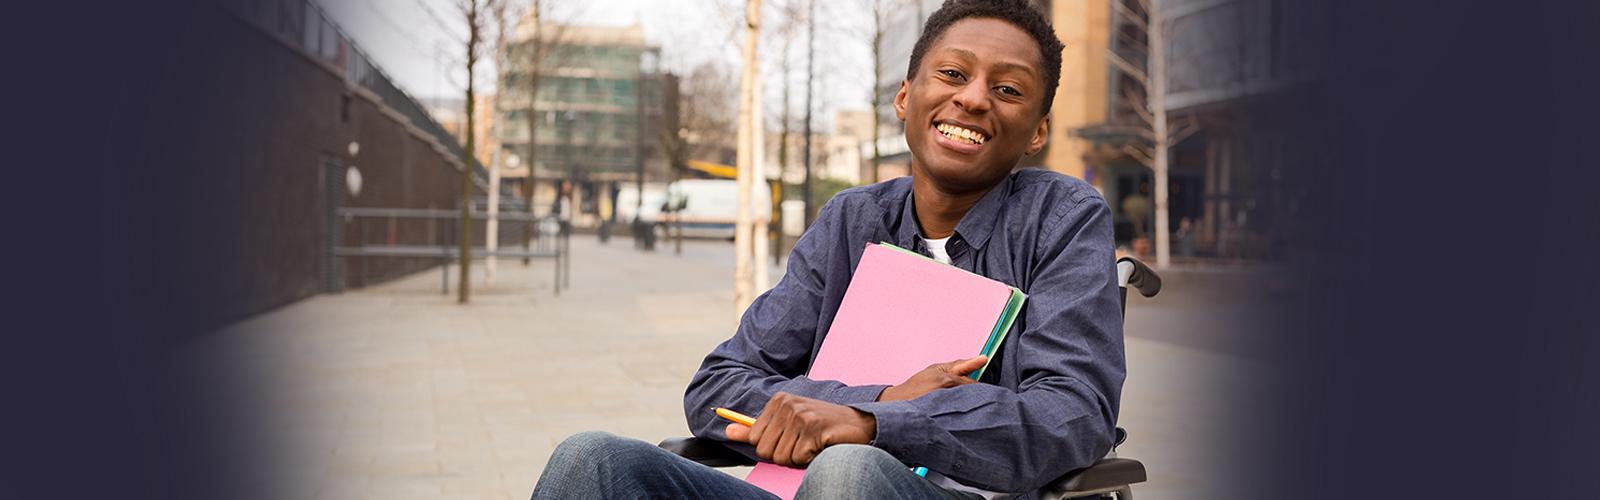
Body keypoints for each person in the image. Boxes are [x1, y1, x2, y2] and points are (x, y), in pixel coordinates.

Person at [530, 1, 1123, 498]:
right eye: (952, 74)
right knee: (592, 462)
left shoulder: (1062, 218)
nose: (972, 99)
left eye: (1007, 89)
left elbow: (1071, 414)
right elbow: (717, 387)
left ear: (1038, 131)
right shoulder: (851, 220)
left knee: (847, 471)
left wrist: (874, 425)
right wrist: (877, 399)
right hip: (800, 489)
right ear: (904, 96)